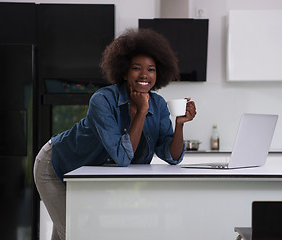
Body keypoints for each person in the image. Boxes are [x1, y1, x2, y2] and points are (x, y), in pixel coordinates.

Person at [33, 28, 197, 240]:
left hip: (83, 178)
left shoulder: (159, 105)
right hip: (55, 166)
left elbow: (172, 157)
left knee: (68, 233)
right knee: (76, 233)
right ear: (124, 72)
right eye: (136, 68)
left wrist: (180, 124)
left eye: (151, 69)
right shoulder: (103, 100)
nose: (145, 75)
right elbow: (122, 157)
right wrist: (141, 112)